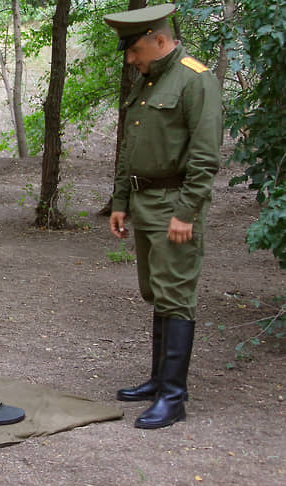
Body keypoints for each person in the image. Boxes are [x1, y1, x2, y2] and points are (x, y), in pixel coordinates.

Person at [103, 4, 222, 429]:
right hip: (143, 202)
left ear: (159, 38)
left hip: (175, 203)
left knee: (176, 295)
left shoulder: (195, 79)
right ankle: (158, 381)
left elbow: (206, 155)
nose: (131, 60)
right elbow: (130, 145)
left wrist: (187, 211)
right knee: (157, 290)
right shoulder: (150, 79)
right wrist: (120, 201)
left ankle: (174, 398)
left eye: (135, 50)